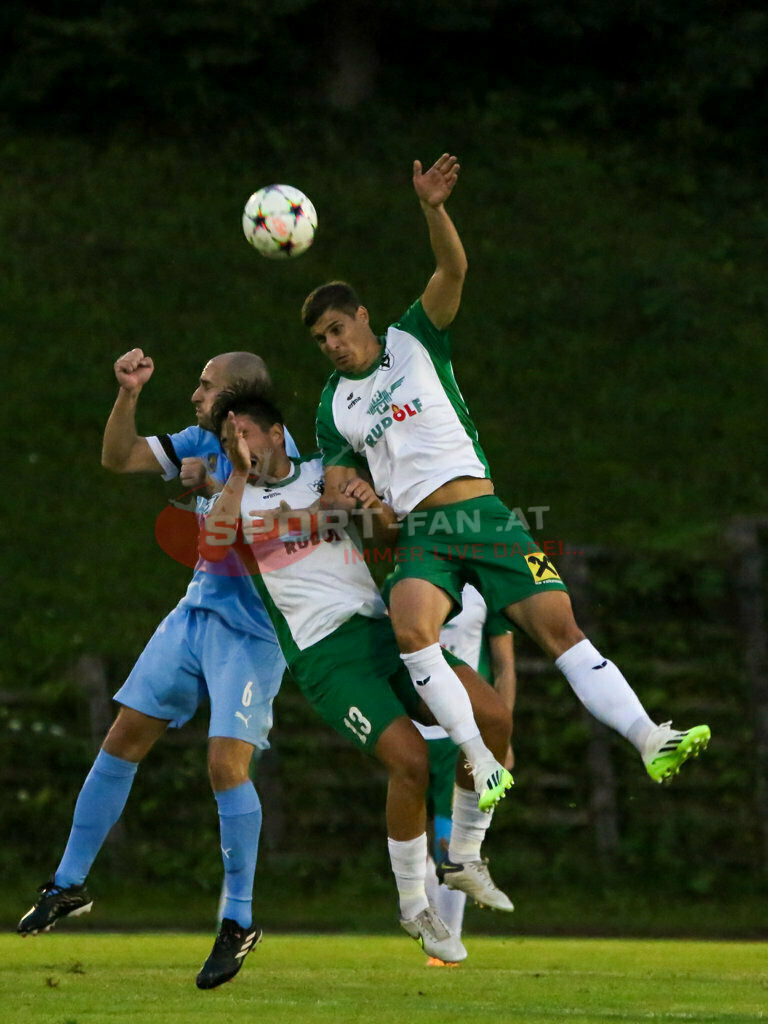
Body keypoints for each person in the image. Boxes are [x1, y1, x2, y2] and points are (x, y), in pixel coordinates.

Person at [302, 152, 711, 803]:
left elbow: (452, 269)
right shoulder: (333, 404)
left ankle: (649, 738)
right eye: (320, 339)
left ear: (362, 317)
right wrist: (351, 495)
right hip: (423, 533)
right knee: (412, 629)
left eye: (336, 328)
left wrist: (434, 209)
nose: (331, 344)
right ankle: (482, 762)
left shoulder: (414, 338)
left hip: (482, 514)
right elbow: (335, 482)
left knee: (560, 627)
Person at [199, 385, 515, 963]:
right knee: (411, 761)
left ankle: (464, 857)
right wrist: (241, 478)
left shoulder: (326, 471)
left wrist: (371, 504)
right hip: (326, 655)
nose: (236, 447)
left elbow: (388, 533)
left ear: (275, 434)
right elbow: (216, 544)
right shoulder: (232, 499)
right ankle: (413, 905)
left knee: (493, 716)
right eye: (226, 442)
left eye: (244, 434)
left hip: (381, 627)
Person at [17, 349, 298, 991]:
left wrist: (218, 482)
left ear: (239, 399)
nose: (195, 394)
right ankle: (68, 885)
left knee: (226, 766)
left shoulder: (282, 458)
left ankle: (239, 921)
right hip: (196, 616)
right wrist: (126, 396)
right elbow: (118, 458)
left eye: (207, 386)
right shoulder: (202, 438)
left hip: (253, 636)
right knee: (122, 738)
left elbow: (235, 536)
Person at [421, 583, 516, 966]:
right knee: (411, 837)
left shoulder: (486, 592)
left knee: (450, 841)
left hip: (459, 733)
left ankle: (448, 944)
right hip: (410, 724)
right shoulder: (403, 579)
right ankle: (428, 921)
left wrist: (501, 735)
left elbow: (506, 667)